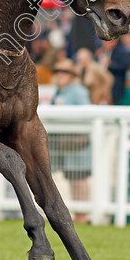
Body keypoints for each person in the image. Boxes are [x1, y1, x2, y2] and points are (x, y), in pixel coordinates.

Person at [49, 58, 92, 223]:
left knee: (79, 179)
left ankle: (82, 215)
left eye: (64, 72)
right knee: (73, 178)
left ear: (71, 74)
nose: (60, 75)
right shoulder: (60, 91)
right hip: (64, 143)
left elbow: (86, 113)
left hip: (77, 142)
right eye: (58, 72)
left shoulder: (78, 91)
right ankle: (78, 214)